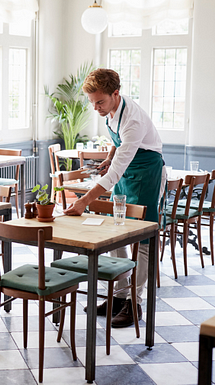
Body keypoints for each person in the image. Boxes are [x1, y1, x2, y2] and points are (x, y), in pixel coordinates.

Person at [64, 68, 164, 328]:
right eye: (92, 103)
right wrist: (109, 157)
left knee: (141, 238)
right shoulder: (112, 110)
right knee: (118, 229)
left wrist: (84, 201)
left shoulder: (133, 120)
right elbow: (118, 145)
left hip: (146, 172)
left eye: (100, 102)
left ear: (115, 94)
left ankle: (135, 303)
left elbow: (118, 169)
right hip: (128, 169)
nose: (96, 108)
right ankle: (119, 297)